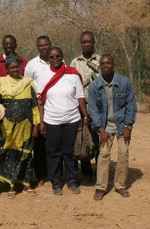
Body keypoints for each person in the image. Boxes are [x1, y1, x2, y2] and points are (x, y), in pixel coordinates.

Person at [38, 47, 89, 196]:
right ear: (49, 58)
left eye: (57, 55)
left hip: (72, 119)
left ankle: (72, 180)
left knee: (70, 151)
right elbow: (41, 102)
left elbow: (80, 97)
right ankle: (56, 182)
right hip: (51, 120)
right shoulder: (43, 76)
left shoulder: (72, 74)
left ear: (62, 57)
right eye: (52, 56)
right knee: (53, 153)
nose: (55, 58)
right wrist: (41, 122)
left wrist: (85, 116)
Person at [88, 54, 137, 201]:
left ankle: (120, 185)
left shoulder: (124, 82)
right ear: (100, 66)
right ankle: (101, 187)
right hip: (105, 126)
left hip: (122, 125)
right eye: (103, 64)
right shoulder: (94, 86)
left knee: (123, 154)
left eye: (108, 63)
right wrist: (101, 130)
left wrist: (128, 126)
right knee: (103, 155)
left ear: (113, 65)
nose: (105, 66)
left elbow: (131, 105)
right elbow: (93, 110)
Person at [0, 53, 40, 199]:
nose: (15, 70)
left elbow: (34, 106)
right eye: (12, 67)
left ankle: (26, 184)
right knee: (9, 154)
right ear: (7, 69)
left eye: (17, 67)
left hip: (26, 127)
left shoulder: (28, 83)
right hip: (7, 128)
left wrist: (36, 125)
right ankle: (11, 186)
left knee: (26, 155)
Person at [70, 31, 101, 184]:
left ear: (94, 42)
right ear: (80, 43)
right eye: (84, 42)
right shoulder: (75, 62)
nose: (87, 44)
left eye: (89, 41)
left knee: (99, 138)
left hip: (98, 107)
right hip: (80, 106)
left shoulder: (101, 61)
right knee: (83, 139)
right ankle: (86, 172)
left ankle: (101, 173)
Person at [24, 35, 52, 187]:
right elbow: (27, 85)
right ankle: (41, 174)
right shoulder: (31, 65)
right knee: (39, 143)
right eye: (41, 45)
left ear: (50, 45)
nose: (44, 47)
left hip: (55, 106)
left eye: (46, 45)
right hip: (37, 106)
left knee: (53, 142)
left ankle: (55, 173)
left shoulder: (58, 61)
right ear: (37, 47)